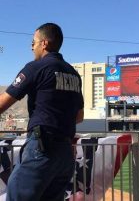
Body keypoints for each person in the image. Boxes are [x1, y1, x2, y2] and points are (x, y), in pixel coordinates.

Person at [0, 23, 84, 201]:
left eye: (33, 42)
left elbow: (3, 103)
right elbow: (79, 116)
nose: (31, 46)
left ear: (44, 43)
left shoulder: (35, 67)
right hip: (64, 154)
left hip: (42, 149)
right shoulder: (74, 74)